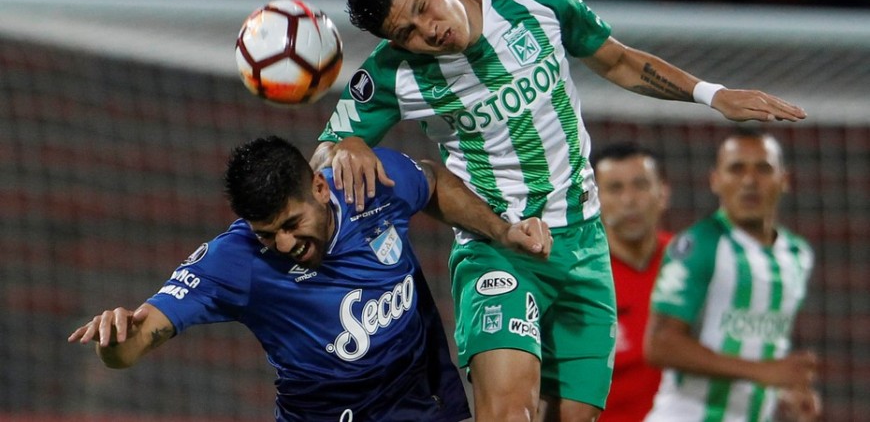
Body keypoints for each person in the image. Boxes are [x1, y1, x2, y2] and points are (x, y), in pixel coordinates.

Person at [310, 0, 807, 421]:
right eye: (407, 34)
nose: (429, 32)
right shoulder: (392, 73)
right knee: (508, 412)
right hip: (497, 247)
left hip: (585, 245)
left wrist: (713, 95)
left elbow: (615, 61)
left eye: (423, 9)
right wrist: (345, 142)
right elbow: (326, 153)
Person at [68, 135, 552, 422]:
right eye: (266, 233)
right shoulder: (232, 261)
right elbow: (129, 349)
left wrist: (501, 231)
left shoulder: (372, 186)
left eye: (290, 224)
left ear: (321, 188)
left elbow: (430, 180)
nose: (281, 243)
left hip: (415, 396)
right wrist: (116, 338)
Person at [644, 128, 820, 421]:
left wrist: (786, 391)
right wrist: (762, 372)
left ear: (784, 180)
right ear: (716, 180)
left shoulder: (798, 255)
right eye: (737, 169)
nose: (750, 181)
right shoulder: (700, 244)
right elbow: (660, 344)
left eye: (763, 169)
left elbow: (761, 344)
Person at [591, 142, 672, 422]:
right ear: (593, 199)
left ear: (663, 193)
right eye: (615, 188)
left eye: (640, 185)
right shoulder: (578, 280)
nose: (629, 200)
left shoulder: (695, 266)